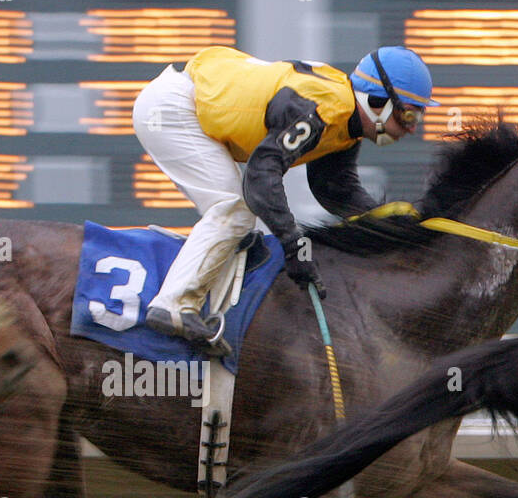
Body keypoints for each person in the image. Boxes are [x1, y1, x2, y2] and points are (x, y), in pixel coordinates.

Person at [132, 45, 439, 353]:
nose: (412, 128)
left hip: (193, 98)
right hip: (172, 109)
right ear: (377, 101)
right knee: (234, 213)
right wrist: (294, 246)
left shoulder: (344, 119)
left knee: (239, 223)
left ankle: (214, 304)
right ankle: (173, 305)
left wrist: (389, 222)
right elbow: (260, 179)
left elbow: (335, 189)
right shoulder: (324, 109)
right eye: (408, 114)